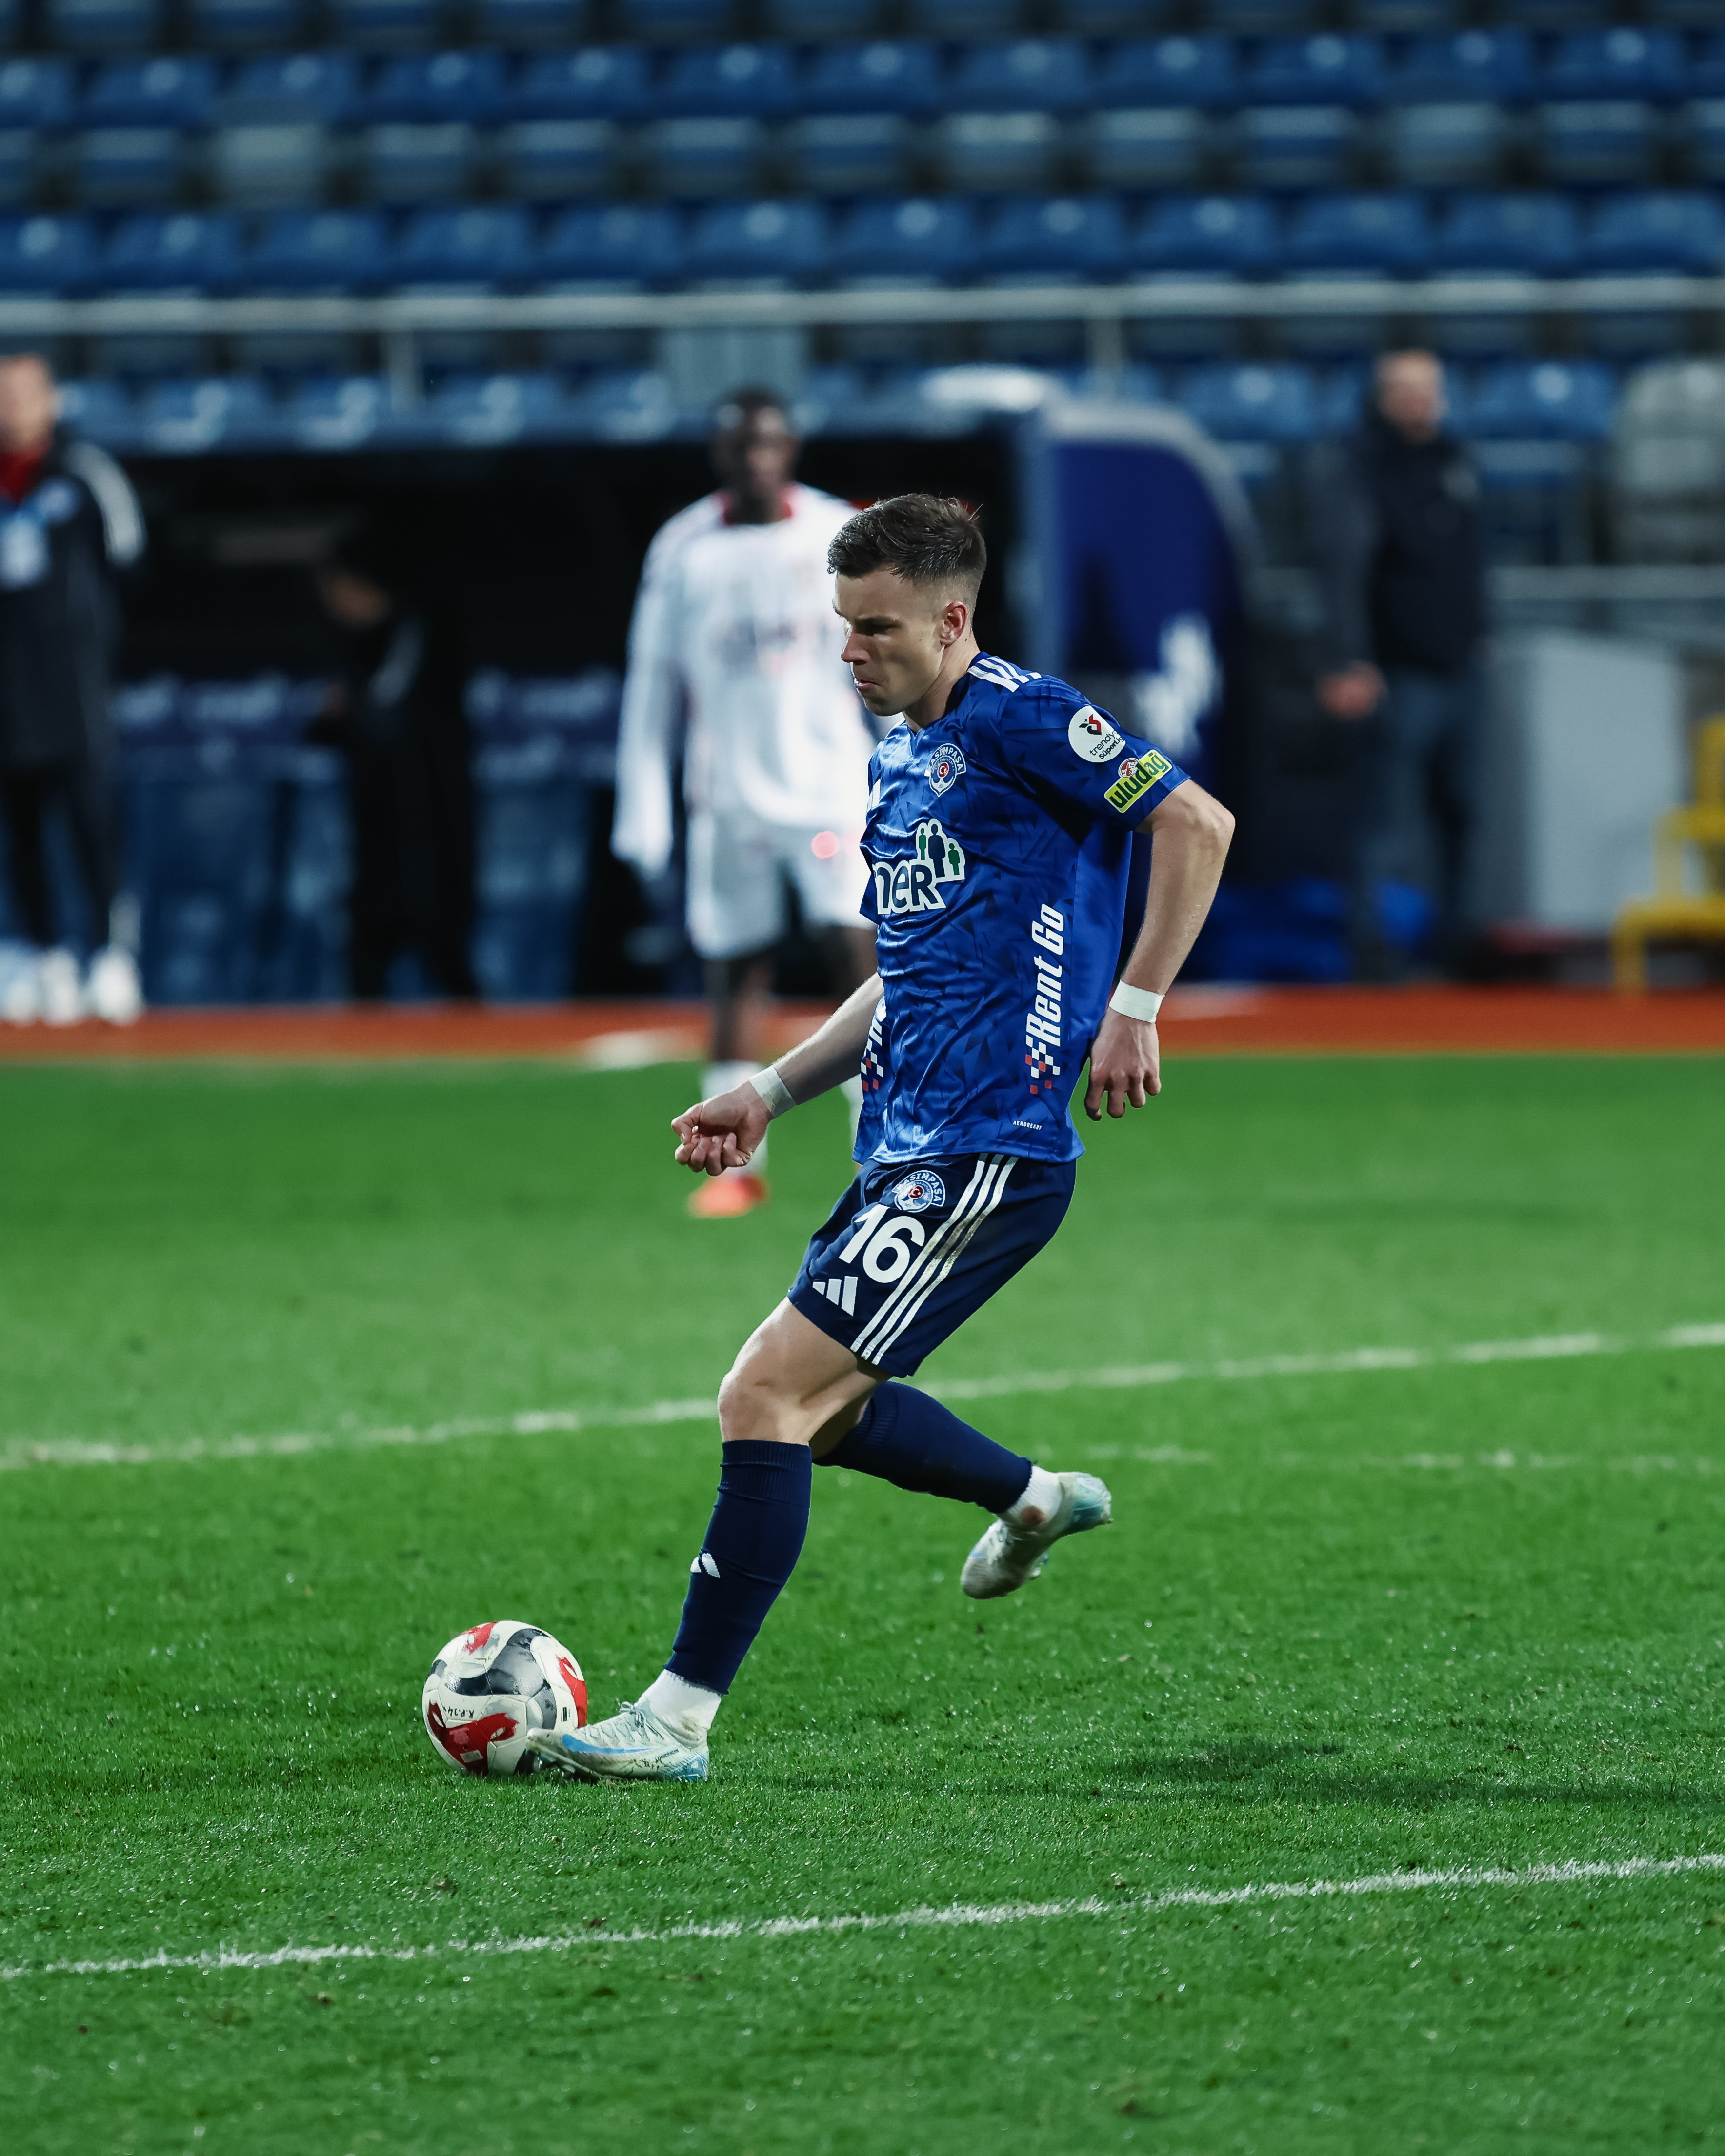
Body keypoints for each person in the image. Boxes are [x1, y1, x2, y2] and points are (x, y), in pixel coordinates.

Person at [530, 494, 1234, 1785]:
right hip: (905, 1140)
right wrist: (768, 1090)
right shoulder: (897, 753)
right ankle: (1033, 1496)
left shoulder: (1026, 717)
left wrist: (1135, 1006)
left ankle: (676, 1718)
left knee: (764, 1392)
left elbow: (1198, 823)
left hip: (990, 1145)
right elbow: (903, 977)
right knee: (821, 1414)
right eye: (842, 625)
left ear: (953, 619)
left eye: (877, 628)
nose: (849, 651)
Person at [611, 388, 879, 1219]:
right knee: (733, 973)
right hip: (728, 798)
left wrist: (908, 758)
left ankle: (889, 1150)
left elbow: (887, 649)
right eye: (741, 445)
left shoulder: (839, 532)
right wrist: (643, 803)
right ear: (720, 455)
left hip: (831, 790)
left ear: (790, 447)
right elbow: (653, 678)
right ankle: (734, 1170)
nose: (756, 459)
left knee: (862, 964)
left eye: (769, 443)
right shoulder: (683, 547)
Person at [1311, 349, 1487, 980]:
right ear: (1381, 396)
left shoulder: (1453, 461)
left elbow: (1468, 562)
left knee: (1460, 812)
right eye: (1405, 389)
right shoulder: (1358, 466)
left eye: (1428, 389)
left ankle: (1455, 947)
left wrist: (1480, 633)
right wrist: (1348, 660)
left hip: (1458, 665)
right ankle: (1373, 953)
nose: (1419, 401)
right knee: (1383, 820)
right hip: (1394, 670)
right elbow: (1342, 568)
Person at [0, 351, 145, 1026]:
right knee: (21, 831)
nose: (12, 408)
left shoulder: (83, 471)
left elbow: (129, 556)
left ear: (52, 401)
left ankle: (112, 956)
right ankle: (43, 956)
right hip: (8, 692)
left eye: (24, 394)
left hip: (75, 686)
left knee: (92, 822)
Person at [313, 535, 478, 1002]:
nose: (332, 604)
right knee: (366, 958)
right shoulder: (352, 646)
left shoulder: (417, 633)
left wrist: (350, 713)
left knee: (445, 956)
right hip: (377, 842)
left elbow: (388, 713)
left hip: (428, 834)